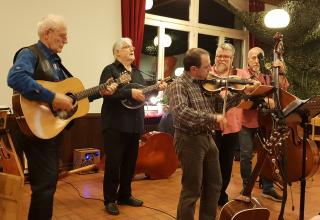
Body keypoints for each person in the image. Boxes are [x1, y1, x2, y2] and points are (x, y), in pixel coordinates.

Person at [7, 14, 117, 220]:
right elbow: (15, 77)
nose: (66, 41)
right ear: (47, 34)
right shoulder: (30, 53)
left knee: (46, 185)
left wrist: (100, 91)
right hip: (31, 129)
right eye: (62, 36)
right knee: (42, 186)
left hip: (47, 131)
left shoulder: (56, 63)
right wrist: (52, 97)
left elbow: (72, 98)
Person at [99, 37, 167, 215]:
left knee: (130, 164)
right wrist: (130, 91)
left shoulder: (137, 73)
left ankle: (125, 195)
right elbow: (106, 93)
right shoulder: (110, 70)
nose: (132, 49)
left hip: (135, 123)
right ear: (117, 52)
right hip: (115, 124)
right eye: (126, 47)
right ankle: (110, 200)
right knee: (113, 164)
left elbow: (142, 94)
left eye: (132, 46)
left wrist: (157, 88)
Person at [239, 47, 289, 202]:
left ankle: (268, 188)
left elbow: (283, 88)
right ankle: (246, 188)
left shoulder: (266, 76)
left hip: (264, 121)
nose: (256, 61)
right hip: (246, 121)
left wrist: (280, 72)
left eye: (258, 58)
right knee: (246, 155)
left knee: (267, 154)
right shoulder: (242, 74)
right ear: (247, 59)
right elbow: (243, 93)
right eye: (253, 57)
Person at [210, 43, 248, 206]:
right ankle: (209, 192)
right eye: (219, 56)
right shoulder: (208, 73)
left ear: (232, 59)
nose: (222, 59)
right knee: (211, 163)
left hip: (232, 126)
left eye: (226, 56)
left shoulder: (240, 74)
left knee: (226, 163)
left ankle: (221, 193)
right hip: (211, 126)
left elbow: (247, 94)